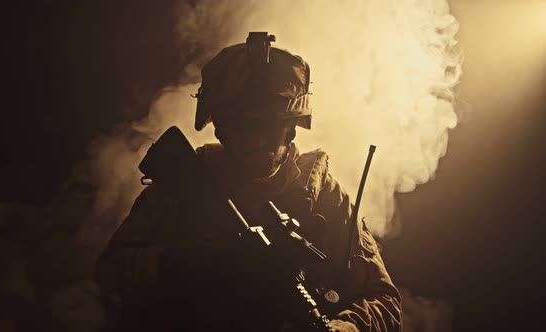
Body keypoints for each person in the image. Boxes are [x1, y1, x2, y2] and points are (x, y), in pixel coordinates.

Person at [95, 32, 402, 332]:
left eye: (269, 125)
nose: (256, 140)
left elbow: (384, 301)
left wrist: (344, 327)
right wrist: (183, 262)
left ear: (292, 128)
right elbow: (111, 271)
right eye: (242, 126)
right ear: (221, 129)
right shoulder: (184, 186)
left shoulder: (324, 196)